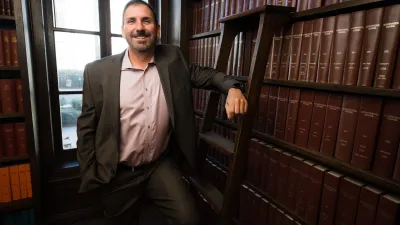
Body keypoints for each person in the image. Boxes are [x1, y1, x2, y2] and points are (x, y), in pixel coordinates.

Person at [76, 0, 248, 224]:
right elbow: (86, 128)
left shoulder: (173, 59)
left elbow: (209, 75)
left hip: (159, 165)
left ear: (157, 30)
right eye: (132, 21)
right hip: (118, 172)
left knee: (189, 219)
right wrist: (92, 173)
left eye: (146, 21)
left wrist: (233, 88)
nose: (139, 27)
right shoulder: (97, 72)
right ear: (123, 30)